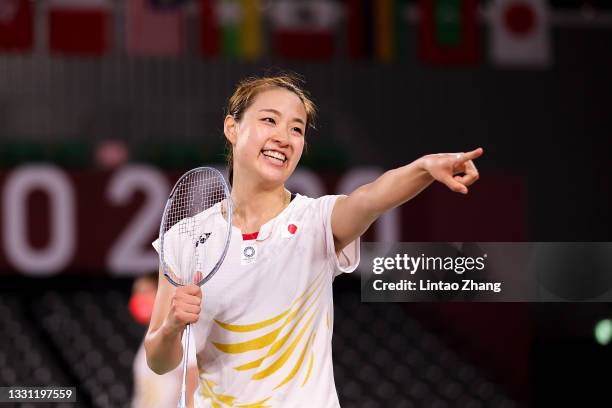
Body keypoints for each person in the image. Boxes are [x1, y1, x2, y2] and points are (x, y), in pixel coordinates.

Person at [145, 73, 483, 407]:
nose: (284, 137)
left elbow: (370, 198)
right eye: (269, 120)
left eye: (296, 128)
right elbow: (157, 359)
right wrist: (172, 327)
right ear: (232, 128)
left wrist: (423, 168)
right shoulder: (185, 238)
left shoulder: (315, 221)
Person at [130, 273, 198, 408]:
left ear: (160, 293)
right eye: (136, 292)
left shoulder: (182, 333)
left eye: (145, 291)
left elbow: (193, 383)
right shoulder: (150, 336)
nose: (140, 298)